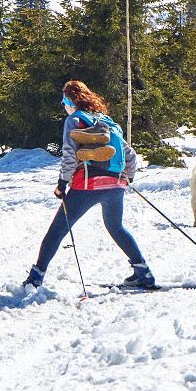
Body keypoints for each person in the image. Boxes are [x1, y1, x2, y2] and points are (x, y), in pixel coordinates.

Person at [23, 79, 155, 291]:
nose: (63, 105)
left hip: (87, 184)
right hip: (115, 183)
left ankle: (35, 278)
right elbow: (129, 153)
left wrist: (62, 183)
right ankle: (144, 273)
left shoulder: (74, 120)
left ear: (69, 100)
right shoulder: (107, 121)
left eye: (63, 101)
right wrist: (127, 177)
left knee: (57, 230)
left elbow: (69, 155)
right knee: (116, 227)